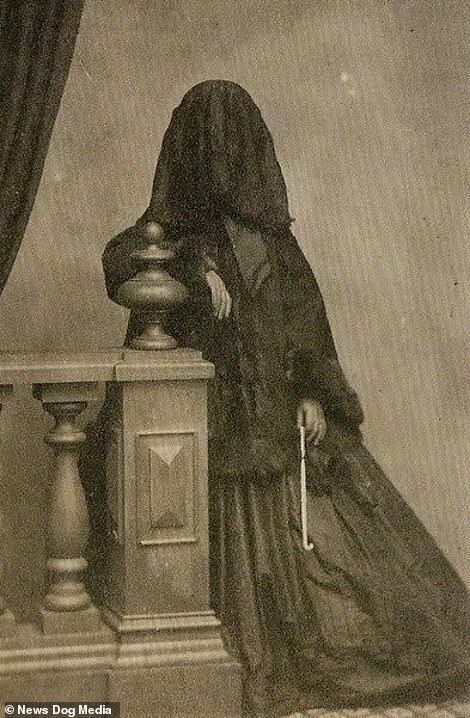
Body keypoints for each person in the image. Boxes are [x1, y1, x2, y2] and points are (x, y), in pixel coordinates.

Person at [96, 81, 469, 717]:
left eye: (227, 138)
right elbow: (121, 260)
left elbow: (304, 325)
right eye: (204, 138)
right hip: (197, 436)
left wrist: (314, 395)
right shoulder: (166, 232)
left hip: (274, 419)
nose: (216, 153)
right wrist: (191, 266)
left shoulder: (274, 240)